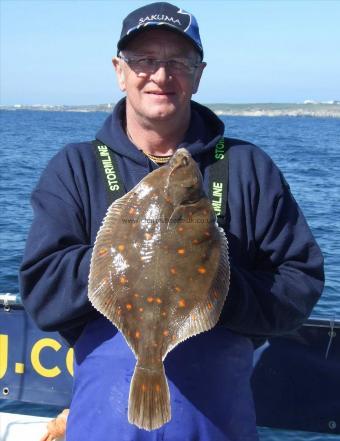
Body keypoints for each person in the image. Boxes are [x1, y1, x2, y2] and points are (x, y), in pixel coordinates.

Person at [20, 2, 324, 440]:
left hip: (216, 421)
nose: (161, 75)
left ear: (198, 74)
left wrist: (216, 289)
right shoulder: (75, 168)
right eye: (145, 60)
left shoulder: (248, 167)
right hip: (105, 419)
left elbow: (300, 283)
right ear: (119, 71)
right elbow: (42, 293)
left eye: (178, 62)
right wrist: (122, 262)